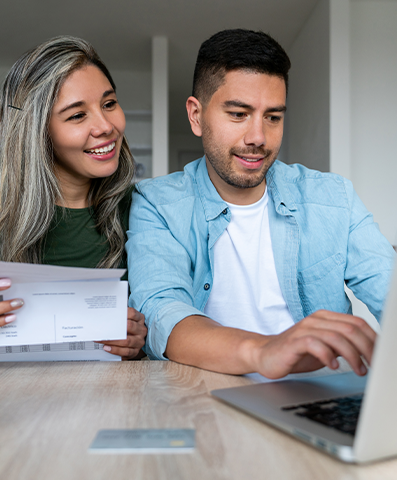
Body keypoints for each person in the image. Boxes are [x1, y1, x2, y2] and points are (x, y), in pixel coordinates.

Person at [127, 29, 395, 376]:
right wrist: (264, 351)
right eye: (238, 114)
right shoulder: (157, 203)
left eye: (273, 117)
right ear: (196, 115)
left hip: (322, 393)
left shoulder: (333, 198)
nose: (258, 138)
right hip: (210, 394)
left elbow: (390, 290)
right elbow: (162, 313)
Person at [0, 36, 146, 360]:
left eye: (109, 104)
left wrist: (143, 338)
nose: (106, 126)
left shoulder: (141, 209)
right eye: (77, 115)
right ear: (36, 132)